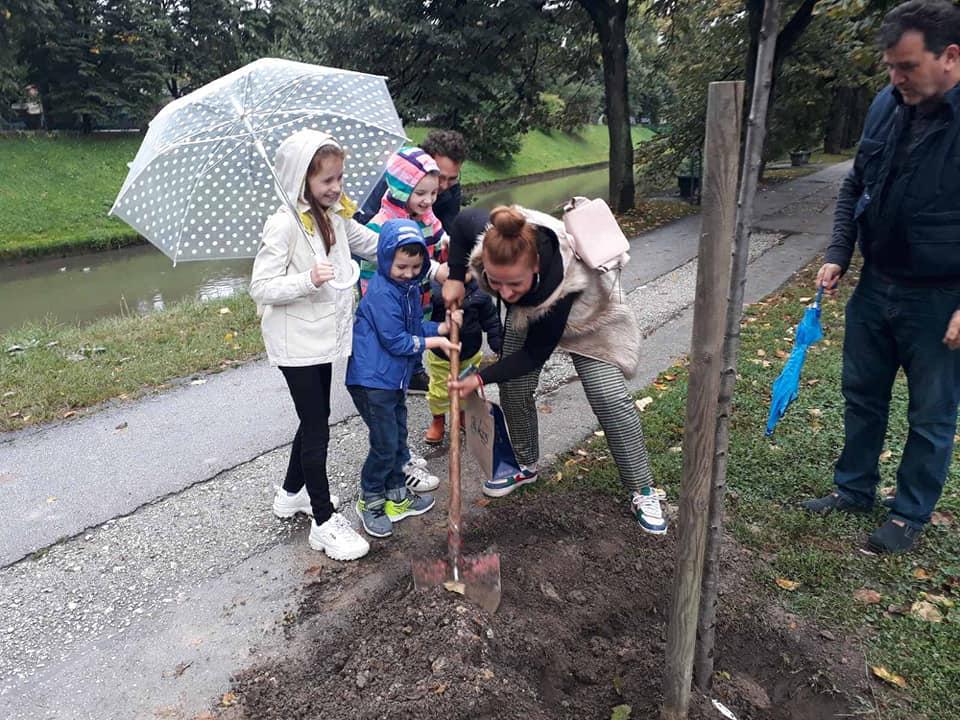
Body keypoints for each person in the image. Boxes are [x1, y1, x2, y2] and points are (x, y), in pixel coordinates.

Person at [801, 0, 960, 554]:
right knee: (862, 393)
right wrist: (840, 250)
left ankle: (909, 514)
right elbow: (854, 186)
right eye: (890, 67)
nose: (896, 79)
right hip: (876, 283)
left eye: (907, 67)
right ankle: (853, 490)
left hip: (942, 296)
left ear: (950, 57)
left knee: (931, 413)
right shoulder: (886, 106)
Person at [444, 206, 667, 535]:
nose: (503, 294)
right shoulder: (497, 242)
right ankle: (525, 464)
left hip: (591, 316)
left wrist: (479, 378)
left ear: (535, 266)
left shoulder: (560, 282)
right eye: (495, 282)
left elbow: (534, 354)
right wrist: (454, 278)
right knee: (515, 387)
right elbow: (462, 222)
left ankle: (642, 489)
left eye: (513, 284)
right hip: (530, 310)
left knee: (609, 397)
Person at [249, 129, 379, 562]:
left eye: (339, 177)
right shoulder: (284, 224)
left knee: (315, 417)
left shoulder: (334, 216)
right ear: (301, 180)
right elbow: (261, 287)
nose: (336, 187)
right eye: (326, 181)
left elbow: (371, 244)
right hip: (296, 341)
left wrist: (421, 254)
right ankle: (323, 522)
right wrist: (308, 279)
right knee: (318, 425)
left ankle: (291, 494)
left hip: (323, 337)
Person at [346, 219, 461, 538]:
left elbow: (412, 328)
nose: (409, 273)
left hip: (392, 379)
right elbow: (396, 340)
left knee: (396, 437)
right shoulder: (383, 292)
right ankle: (370, 500)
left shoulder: (408, 289)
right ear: (384, 260)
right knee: (384, 444)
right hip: (372, 380)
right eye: (401, 266)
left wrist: (439, 328)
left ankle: (396, 496)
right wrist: (434, 342)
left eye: (415, 266)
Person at [362, 146, 448, 394]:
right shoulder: (383, 224)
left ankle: (412, 370)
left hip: (415, 290)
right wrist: (434, 270)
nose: (428, 200)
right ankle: (388, 379)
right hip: (390, 294)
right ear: (401, 189)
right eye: (420, 192)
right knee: (393, 332)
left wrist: (448, 244)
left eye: (433, 193)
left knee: (415, 322)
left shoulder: (426, 216)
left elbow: (439, 236)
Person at [423, 274, 502, 444]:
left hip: (470, 352)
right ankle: (438, 420)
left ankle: (461, 414)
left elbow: (491, 320)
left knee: (466, 388)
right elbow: (424, 319)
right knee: (439, 390)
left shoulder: (480, 292)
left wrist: (497, 343)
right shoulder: (435, 290)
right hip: (441, 355)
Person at [355, 129, 467, 233]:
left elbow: (449, 231)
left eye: (452, 179)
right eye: (439, 176)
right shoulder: (390, 182)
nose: (444, 185)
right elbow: (364, 224)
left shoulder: (452, 190)